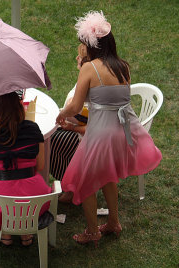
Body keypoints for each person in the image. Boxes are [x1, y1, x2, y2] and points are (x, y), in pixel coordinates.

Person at [56, 11, 162, 246]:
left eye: (82, 44)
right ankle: (113, 222)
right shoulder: (123, 66)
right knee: (108, 177)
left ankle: (93, 231)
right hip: (123, 132)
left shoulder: (90, 69)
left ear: (90, 45)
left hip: (101, 134)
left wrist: (61, 115)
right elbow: (106, 96)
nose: (80, 47)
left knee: (85, 182)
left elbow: (75, 105)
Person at [0, 92, 52, 246]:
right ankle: (26, 231)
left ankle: (5, 233)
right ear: (18, 107)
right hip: (34, 201)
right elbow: (40, 166)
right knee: (22, 190)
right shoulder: (32, 129)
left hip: (0, 202)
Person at [50, 43, 88, 203]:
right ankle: (69, 182)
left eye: (80, 56)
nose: (76, 58)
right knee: (48, 136)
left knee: (51, 142)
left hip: (89, 140)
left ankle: (73, 187)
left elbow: (94, 128)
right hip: (77, 129)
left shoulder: (91, 86)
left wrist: (72, 127)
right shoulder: (85, 78)